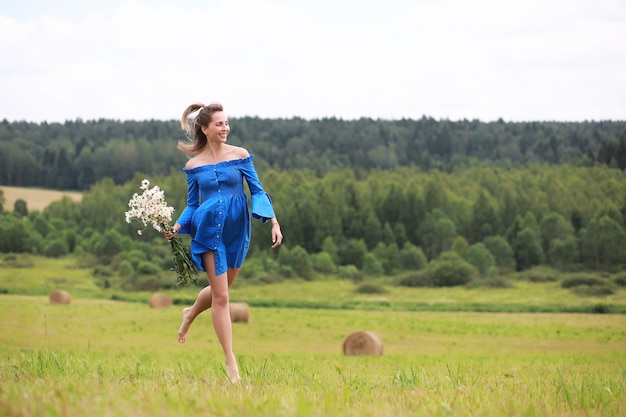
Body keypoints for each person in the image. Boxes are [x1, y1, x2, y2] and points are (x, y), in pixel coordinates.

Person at [165, 102, 283, 384]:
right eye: (219, 124)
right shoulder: (193, 166)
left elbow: (257, 190)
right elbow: (193, 204)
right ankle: (231, 364)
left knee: (223, 289)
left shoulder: (240, 155)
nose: (225, 128)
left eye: (226, 123)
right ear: (204, 129)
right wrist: (178, 225)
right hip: (208, 232)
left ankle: (190, 313)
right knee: (222, 298)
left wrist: (273, 222)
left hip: (236, 230)